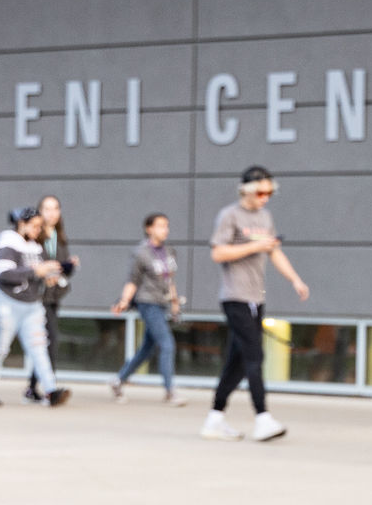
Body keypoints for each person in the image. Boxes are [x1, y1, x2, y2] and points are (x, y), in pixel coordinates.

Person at [202, 165, 310, 442]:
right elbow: (218, 253)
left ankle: (214, 418)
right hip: (235, 297)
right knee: (255, 356)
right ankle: (262, 417)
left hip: (255, 297)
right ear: (247, 190)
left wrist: (295, 279)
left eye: (270, 192)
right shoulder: (230, 215)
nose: (265, 197)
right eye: (261, 192)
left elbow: (274, 252)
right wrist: (254, 247)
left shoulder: (265, 217)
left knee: (236, 364)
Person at [0, 207, 70, 407]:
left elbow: (33, 274)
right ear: (22, 224)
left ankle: (50, 390)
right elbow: (3, 273)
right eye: (35, 226)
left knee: (39, 348)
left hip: (31, 304)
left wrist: (50, 274)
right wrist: (36, 270)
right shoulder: (8, 241)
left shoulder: (35, 247)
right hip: (5, 302)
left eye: (40, 226)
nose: (38, 230)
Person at [110, 212, 187, 406]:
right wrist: (124, 301)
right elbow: (133, 281)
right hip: (147, 302)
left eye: (166, 226)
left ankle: (119, 381)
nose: (165, 230)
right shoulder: (141, 253)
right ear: (149, 229)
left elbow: (170, 279)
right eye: (160, 226)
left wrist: (175, 304)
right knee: (167, 344)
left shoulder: (169, 251)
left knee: (146, 349)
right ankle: (170, 391)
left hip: (162, 302)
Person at [25, 194, 78, 404]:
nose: (52, 213)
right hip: (37, 297)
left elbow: (61, 267)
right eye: (47, 209)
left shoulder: (59, 235)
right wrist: (45, 273)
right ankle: (50, 388)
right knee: (50, 341)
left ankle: (32, 388)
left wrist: (68, 266)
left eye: (55, 208)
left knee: (45, 343)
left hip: (54, 296)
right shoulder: (33, 236)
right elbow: (30, 265)